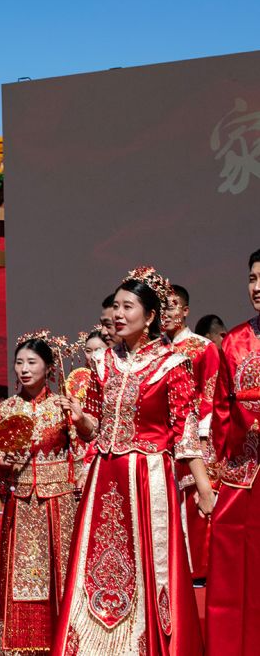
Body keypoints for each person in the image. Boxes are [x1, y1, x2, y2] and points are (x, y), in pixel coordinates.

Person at [54, 267, 212, 655]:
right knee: (101, 563)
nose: (118, 315)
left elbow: (185, 432)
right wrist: (80, 417)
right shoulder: (102, 362)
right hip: (103, 475)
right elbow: (96, 429)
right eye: (116, 307)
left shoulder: (172, 364)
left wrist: (204, 487)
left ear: (151, 315)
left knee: (149, 564)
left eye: (128, 307)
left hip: (148, 476)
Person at [0, 335, 78, 656]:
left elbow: (80, 452)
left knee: (61, 571)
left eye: (32, 362)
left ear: (49, 367)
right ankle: (24, 644)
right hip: (23, 504)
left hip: (60, 501)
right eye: (19, 362)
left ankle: (66, 639)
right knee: (24, 575)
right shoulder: (5, 409)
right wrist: (2, 462)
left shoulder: (63, 406)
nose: (24, 369)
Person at [205, 248, 260, 656]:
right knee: (234, 569)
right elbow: (222, 407)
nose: (257, 288)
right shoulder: (235, 340)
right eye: (253, 278)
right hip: (244, 469)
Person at [162, 283, 220, 580]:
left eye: (172, 306)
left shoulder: (203, 347)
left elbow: (210, 391)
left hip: (196, 434)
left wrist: (202, 432)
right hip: (162, 437)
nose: (166, 312)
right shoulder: (157, 349)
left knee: (196, 494)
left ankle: (198, 567)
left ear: (185, 311)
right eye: (162, 306)